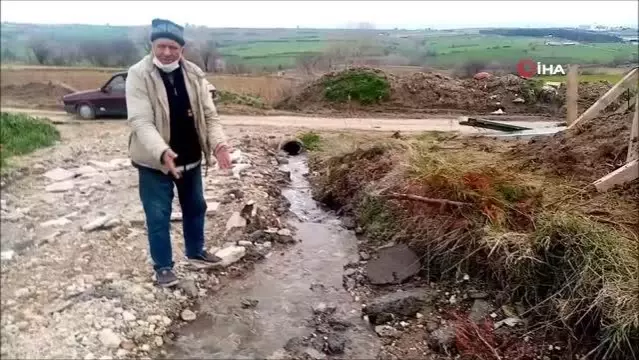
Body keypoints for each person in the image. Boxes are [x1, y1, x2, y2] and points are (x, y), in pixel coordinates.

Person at [126, 18, 232, 287]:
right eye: (161, 46)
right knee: (158, 215)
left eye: (173, 47)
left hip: (191, 159)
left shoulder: (194, 74)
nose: (166, 52)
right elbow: (140, 121)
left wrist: (219, 144)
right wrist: (162, 152)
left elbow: (209, 115)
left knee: (196, 206)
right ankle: (163, 267)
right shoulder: (138, 74)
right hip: (155, 162)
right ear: (152, 45)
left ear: (181, 49)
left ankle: (196, 252)